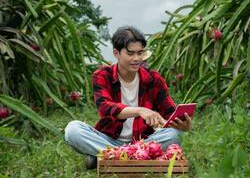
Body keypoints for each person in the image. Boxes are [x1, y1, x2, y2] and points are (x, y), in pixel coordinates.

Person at [64, 26, 192, 170]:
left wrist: (183, 125)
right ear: (116, 53)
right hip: (109, 139)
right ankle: (135, 159)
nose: (136, 59)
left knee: (175, 135)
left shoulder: (153, 79)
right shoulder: (102, 75)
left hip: (143, 142)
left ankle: (107, 157)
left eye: (140, 53)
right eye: (130, 53)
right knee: (72, 130)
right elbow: (105, 107)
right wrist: (140, 111)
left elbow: (169, 113)